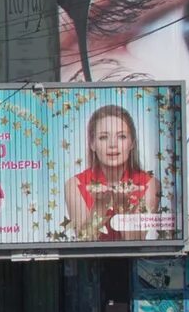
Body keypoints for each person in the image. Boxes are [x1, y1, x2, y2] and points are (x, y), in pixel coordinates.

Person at [67, 103, 164, 242]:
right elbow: (85, 240)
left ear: (132, 143)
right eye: (103, 137)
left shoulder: (150, 184)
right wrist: (101, 205)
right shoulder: (74, 184)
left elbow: (135, 243)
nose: (113, 144)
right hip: (91, 263)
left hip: (133, 263)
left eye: (122, 136)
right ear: (92, 144)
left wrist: (123, 208)